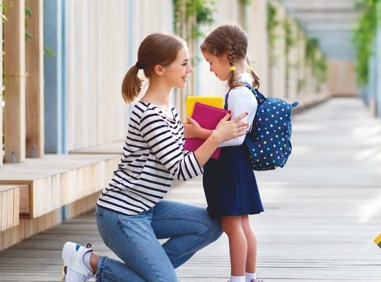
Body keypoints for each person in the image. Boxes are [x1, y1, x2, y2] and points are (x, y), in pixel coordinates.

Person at [61, 32, 249, 282]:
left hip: (147, 208)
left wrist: (213, 136)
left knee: (210, 226)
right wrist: (215, 137)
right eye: (184, 63)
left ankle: (147, 275)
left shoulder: (168, 110)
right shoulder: (149, 115)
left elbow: (182, 155)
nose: (190, 70)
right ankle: (89, 262)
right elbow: (181, 169)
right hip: (121, 214)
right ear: (160, 69)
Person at [183, 23, 264, 282]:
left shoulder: (239, 92)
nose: (209, 68)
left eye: (210, 61)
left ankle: (238, 278)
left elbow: (235, 138)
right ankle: (249, 277)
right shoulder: (242, 88)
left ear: (225, 55)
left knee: (232, 226)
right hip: (234, 168)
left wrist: (200, 133)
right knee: (242, 225)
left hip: (229, 168)